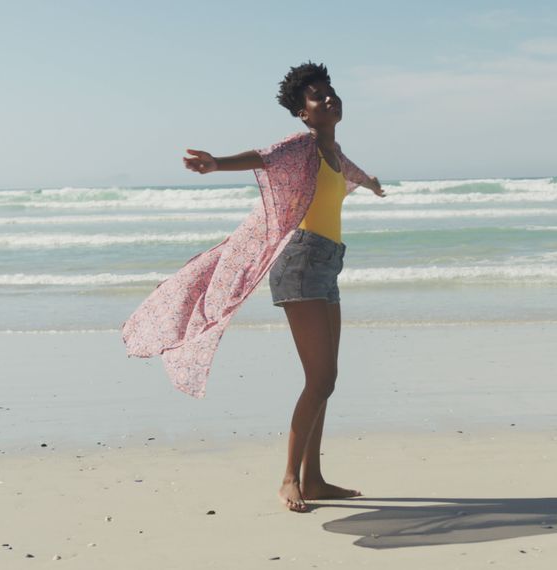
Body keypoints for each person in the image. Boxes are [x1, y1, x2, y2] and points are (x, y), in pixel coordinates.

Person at [122, 62, 384, 512]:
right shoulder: (301, 145)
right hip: (300, 264)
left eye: (330, 92)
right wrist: (216, 164)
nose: (328, 99)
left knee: (327, 380)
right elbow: (263, 156)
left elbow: (349, 171)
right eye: (316, 97)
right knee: (320, 380)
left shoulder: (335, 152)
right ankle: (288, 479)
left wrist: (370, 181)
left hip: (327, 264)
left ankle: (315, 478)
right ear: (303, 114)